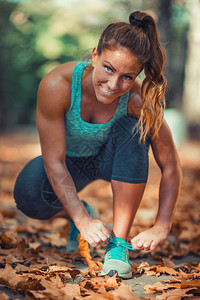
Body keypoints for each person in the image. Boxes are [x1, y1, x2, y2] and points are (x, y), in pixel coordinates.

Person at [14, 11, 182, 279]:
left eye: (127, 77)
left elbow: (171, 164)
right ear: (94, 55)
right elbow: (54, 161)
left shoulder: (139, 99)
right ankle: (78, 214)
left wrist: (162, 225)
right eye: (108, 68)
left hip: (111, 158)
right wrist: (82, 219)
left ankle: (118, 245)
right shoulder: (58, 84)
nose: (114, 85)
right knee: (28, 195)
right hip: (69, 162)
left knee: (133, 129)